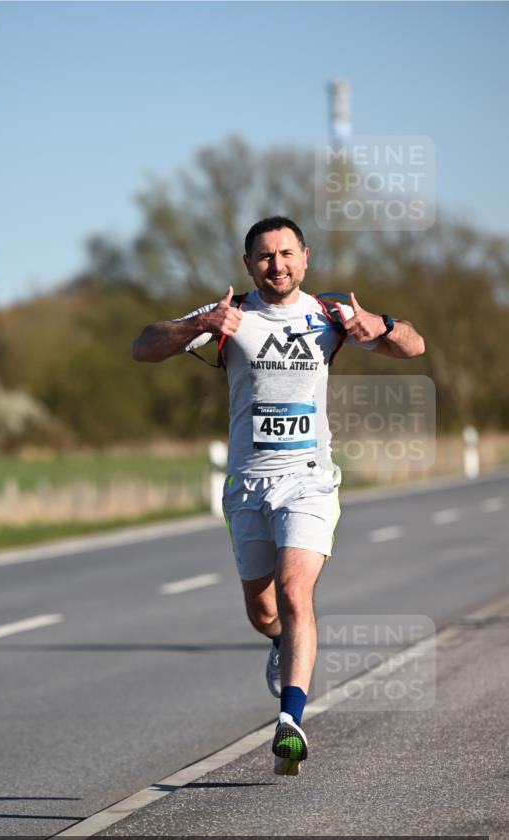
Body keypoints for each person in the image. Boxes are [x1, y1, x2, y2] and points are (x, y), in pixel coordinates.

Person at [131, 216, 425, 776]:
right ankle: (278, 642)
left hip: (308, 479)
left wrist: (381, 324)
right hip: (248, 482)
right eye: (265, 256)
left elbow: (414, 346)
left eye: (287, 253)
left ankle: (290, 720)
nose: (277, 265)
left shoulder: (331, 315)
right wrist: (199, 323)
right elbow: (143, 346)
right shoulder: (230, 314)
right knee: (263, 609)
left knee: (294, 593)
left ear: (305, 257)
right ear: (248, 264)